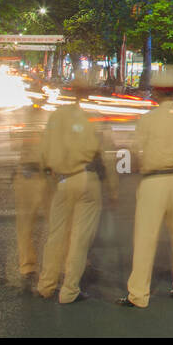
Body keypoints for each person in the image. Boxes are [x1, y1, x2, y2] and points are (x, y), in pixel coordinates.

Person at [119, 67, 173, 307]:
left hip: (153, 180)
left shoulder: (147, 119)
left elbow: (134, 153)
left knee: (145, 236)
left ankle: (139, 294)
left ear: (155, 91)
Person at [36, 86, 118, 303]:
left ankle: (46, 284)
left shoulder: (56, 116)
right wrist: (113, 188)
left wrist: (47, 176)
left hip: (62, 180)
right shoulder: (94, 117)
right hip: (87, 179)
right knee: (79, 239)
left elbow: (43, 149)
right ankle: (69, 290)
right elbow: (107, 155)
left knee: (56, 235)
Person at [9, 98, 54, 292]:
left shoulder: (49, 117)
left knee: (55, 224)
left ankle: (54, 266)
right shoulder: (21, 117)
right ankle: (28, 267)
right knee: (27, 225)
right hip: (29, 173)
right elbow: (15, 144)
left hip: (44, 174)